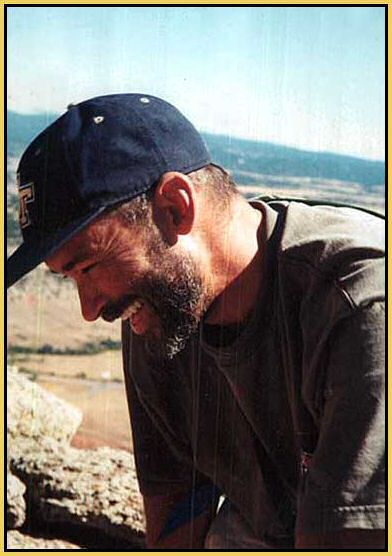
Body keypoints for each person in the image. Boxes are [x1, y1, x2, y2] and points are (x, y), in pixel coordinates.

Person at [7, 94, 385, 549]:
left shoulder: (359, 300)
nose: (90, 310)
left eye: (88, 267)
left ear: (175, 208)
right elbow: (177, 508)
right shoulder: (161, 310)